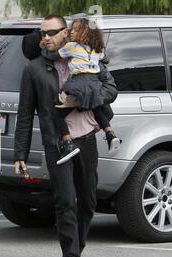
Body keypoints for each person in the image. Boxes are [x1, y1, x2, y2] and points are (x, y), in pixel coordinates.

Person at [14, 14, 118, 257]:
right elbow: (25, 113)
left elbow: (111, 89)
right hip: (57, 143)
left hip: (86, 139)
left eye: (50, 32)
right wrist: (20, 153)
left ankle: (77, 247)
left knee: (88, 201)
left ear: (65, 33)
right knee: (65, 202)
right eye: (42, 34)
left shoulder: (84, 55)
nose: (45, 38)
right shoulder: (35, 69)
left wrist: (80, 100)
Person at [41, 18, 121, 164]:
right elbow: (106, 59)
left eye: (76, 29)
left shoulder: (72, 46)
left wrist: (43, 49)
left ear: (85, 33)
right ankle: (110, 134)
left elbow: (53, 55)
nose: (72, 32)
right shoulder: (96, 49)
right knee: (97, 109)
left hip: (79, 83)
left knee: (57, 111)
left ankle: (68, 144)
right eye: (72, 29)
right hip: (94, 84)